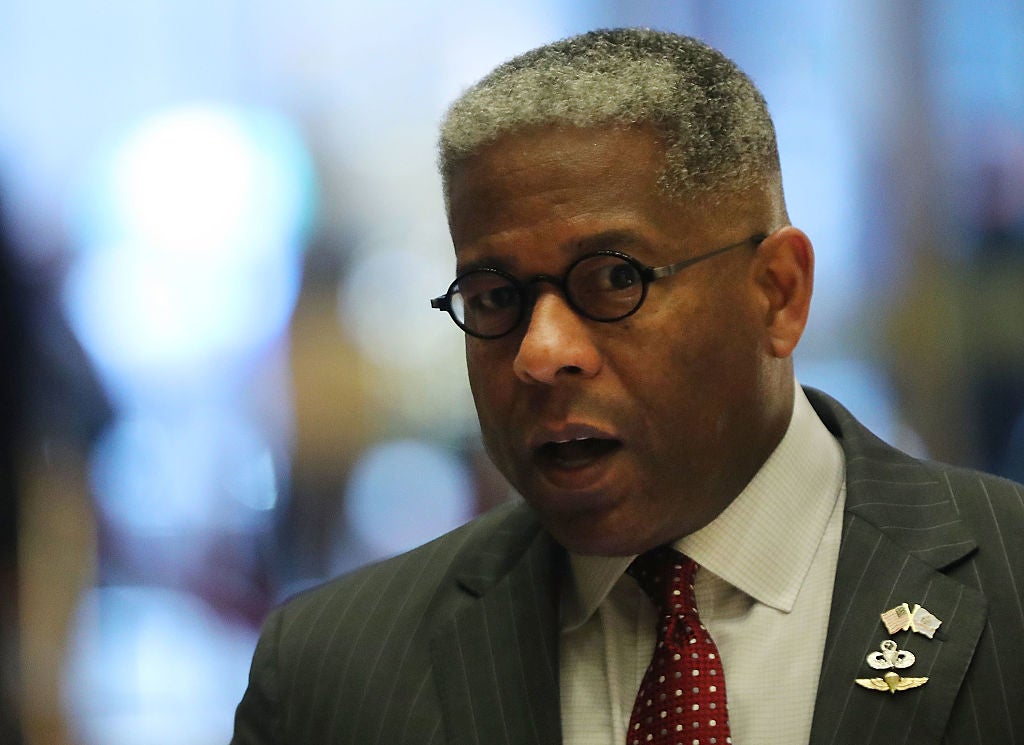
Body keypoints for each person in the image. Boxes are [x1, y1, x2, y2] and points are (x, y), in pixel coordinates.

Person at [231, 28, 1024, 744]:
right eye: (495, 297)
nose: (541, 352)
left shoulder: (1009, 576)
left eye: (615, 278)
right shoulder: (327, 672)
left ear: (777, 293)